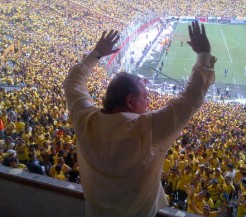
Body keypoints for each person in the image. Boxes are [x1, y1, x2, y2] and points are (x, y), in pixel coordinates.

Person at [64, 21, 216, 217]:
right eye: (145, 97)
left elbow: (72, 83)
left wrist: (95, 54)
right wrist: (204, 53)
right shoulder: (149, 129)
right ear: (130, 101)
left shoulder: (85, 120)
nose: (148, 103)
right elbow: (191, 98)